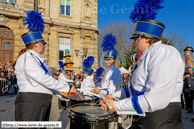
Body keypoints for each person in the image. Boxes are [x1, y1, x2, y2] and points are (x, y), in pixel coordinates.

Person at [100, 18, 185, 129]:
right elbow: (135, 89)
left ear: (144, 38)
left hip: (161, 119)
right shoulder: (147, 56)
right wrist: (113, 95)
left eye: (135, 38)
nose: (133, 42)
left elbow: (156, 99)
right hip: (145, 116)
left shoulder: (163, 52)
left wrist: (116, 105)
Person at [13, 10, 74, 121]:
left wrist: (63, 94)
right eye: (43, 43)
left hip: (42, 101)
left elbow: (47, 82)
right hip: (31, 102)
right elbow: (42, 78)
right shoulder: (27, 57)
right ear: (36, 44)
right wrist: (66, 88)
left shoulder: (39, 60)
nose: (45, 46)